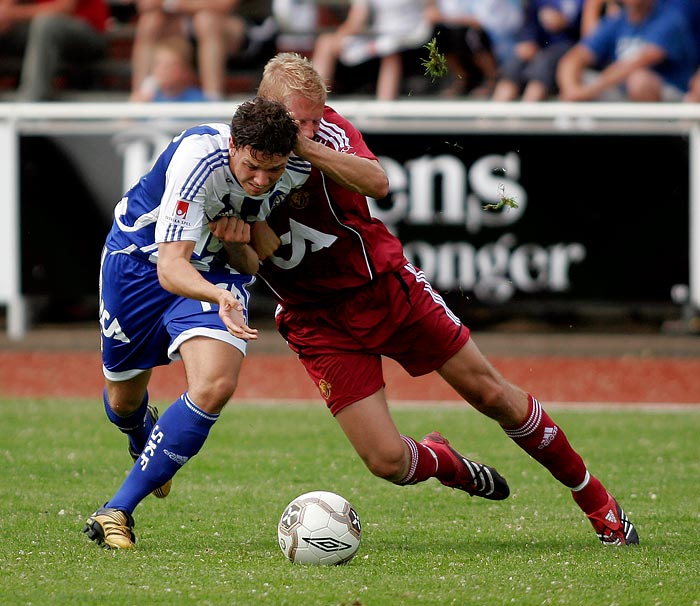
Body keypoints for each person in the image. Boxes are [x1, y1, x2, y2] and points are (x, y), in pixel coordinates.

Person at [251, 51, 639, 546]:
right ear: (266, 109)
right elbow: (252, 253)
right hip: (314, 319)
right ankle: (444, 460)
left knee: (491, 394)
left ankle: (597, 501)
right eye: (297, 120)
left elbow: (378, 182)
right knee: (386, 463)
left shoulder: (324, 134)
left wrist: (304, 147)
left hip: (383, 288)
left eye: (316, 117)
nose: (311, 126)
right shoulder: (235, 157)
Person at [83, 97, 310, 549]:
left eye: (274, 170)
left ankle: (116, 511)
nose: (263, 181)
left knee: (215, 385)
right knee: (123, 400)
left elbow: (251, 257)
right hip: (141, 264)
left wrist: (237, 254)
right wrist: (220, 294)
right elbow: (171, 268)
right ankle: (139, 434)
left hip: (214, 271)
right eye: (252, 168)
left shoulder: (298, 169)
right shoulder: (198, 158)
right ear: (233, 146)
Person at [129, 0, 275, 100]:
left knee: (205, 20)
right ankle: (142, 94)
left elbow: (222, 5)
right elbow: (146, 5)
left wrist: (169, 3)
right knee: (150, 21)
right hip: (191, 23)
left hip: (248, 29)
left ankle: (212, 98)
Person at [557, 0, 696, 102]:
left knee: (639, 80)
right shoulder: (616, 21)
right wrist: (571, 89)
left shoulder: (670, 19)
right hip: (619, 89)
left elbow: (638, 63)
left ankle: (652, 138)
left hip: (669, 94)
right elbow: (576, 56)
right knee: (577, 75)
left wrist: (590, 90)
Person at [311, 0, 433, 100]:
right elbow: (357, 21)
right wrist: (339, 38)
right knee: (325, 42)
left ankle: (384, 108)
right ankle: (315, 101)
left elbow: (431, 12)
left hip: (413, 36)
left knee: (389, 50)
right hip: (379, 36)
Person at [0, 0, 109, 101]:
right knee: (43, 24)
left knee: (45, 24)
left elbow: (64, 8)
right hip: (39, 27)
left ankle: (30, 104)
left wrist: (11, 14)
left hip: (87, 30)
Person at [424, 0, 523, 97]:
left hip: (502, 39)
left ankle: (493, 79)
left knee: (472, 35)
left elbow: (480, 21)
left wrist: (444, 17)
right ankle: (462, 78)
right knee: (439, 36)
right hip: (473, 34)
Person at [491, 0, 584, 101]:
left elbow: (590, 32)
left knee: (543, 64)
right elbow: (530, 23)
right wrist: (528, 41)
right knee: (515, 64)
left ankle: (527, 111)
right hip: (539, 47)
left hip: (570, 48)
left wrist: (565, 24)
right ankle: (493, 114)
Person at [130, 35, 208, 102]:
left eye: (170, 65)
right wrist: (135, 108)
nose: (163, 71)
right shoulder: (148, 99)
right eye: (158, 64)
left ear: (186, 71)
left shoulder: (197, 100)